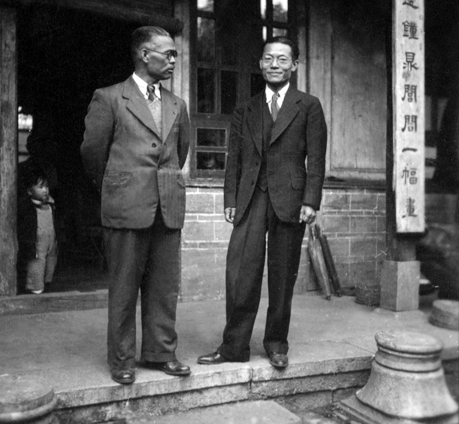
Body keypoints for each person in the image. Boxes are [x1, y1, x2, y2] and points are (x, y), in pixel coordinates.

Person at [198, 36, 327, 369]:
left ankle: (276, 343)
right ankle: (234, 346)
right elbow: (235, 158)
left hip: (291, 200)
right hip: (251, 196)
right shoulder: (246, 108)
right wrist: (230, 198)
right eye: (269, 58)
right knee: (241, 272)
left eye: (282, 59)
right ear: (260, 64)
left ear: (294, 65)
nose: (274, 65)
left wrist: (311, 201)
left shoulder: (308, 105)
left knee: (282, 276)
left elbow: (316, 158)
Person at [80, 26, 190, 385]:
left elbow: (180, 152)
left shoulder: (177, 104)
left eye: (174, 55)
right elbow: (93, 152)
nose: (173, 60)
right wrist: (118, 185)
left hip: (167, 206)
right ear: (144, 54)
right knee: (124, 287)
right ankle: (122, 360)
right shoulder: (110, 97)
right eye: (167, 54)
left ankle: (161, 353)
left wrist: (162, 184)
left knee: (164, 287)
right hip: (126, 205)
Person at [17, 167, 59, 295]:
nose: (45, 190)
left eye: (46, 186)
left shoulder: (51, 205)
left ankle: (47, 285)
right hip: (36, 247)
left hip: (50, 244)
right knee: (36, 269)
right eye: (40, 187)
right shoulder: (28, 207)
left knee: (49, 266)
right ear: (30, 191)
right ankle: (36, 292)